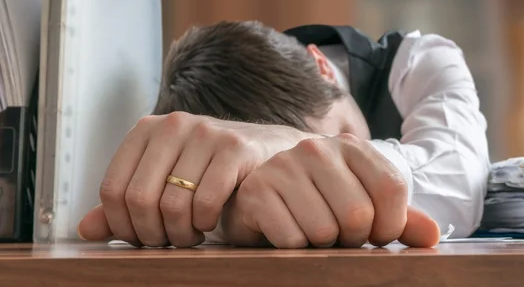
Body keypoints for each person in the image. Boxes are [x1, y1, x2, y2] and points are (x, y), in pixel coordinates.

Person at [77, 21, 490, 249]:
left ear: (321, 66)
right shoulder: (217, 131)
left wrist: (288, 149)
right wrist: (227, 210)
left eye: (343, 138)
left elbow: (462, 180)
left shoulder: (423, 60)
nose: (317, 160)